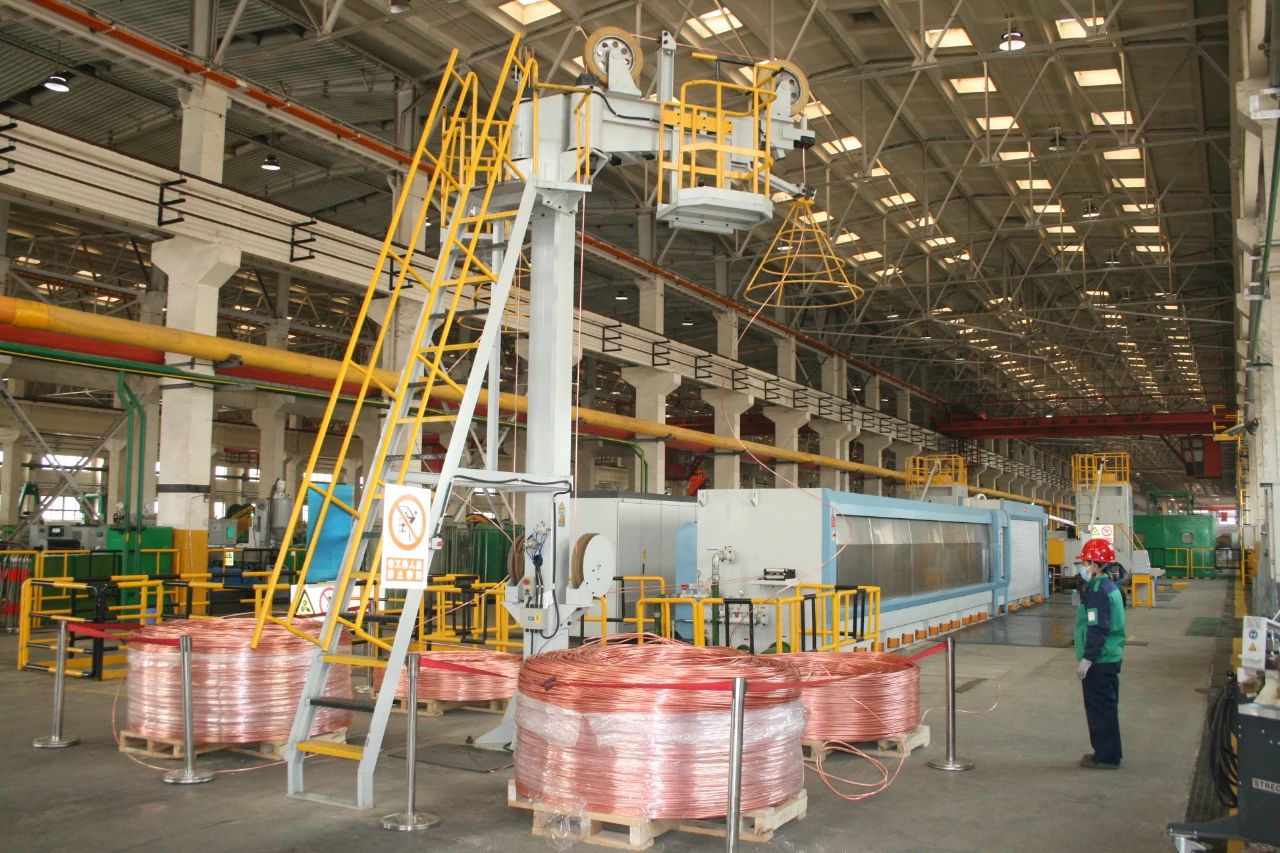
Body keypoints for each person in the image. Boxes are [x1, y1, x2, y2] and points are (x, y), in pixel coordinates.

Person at [1075, 537, 1127, 769]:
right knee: (1106, 707)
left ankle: (1106, 757)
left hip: (1101, 660)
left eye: (1085, 563)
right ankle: (1106, 752)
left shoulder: (1097, 591)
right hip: (1110, 656)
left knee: (1100, 709)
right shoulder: (1110, 586)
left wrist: (1088, 658)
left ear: (1096, 565)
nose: (1083, 567)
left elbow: (1097, 627)